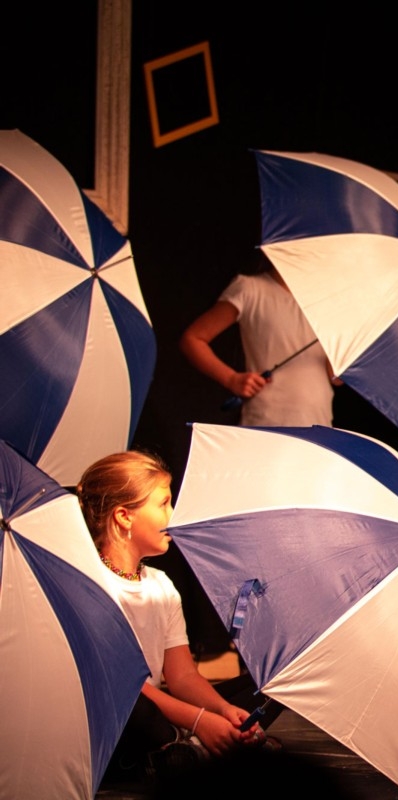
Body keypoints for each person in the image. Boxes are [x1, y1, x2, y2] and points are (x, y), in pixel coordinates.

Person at [77, 451, 280, 784]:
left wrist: (222, 712)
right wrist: (201, 720)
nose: (172, 515)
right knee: (134, 707)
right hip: (125, 716)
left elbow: (182, 676)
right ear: (124, 516)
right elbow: (127, 689)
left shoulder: (161, 585)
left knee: (267, 685)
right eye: (163, 504)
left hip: (164, 709)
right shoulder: (92, 585)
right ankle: (184, 746)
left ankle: (191, 747)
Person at [179, 251, 338, 427]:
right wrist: (231, 378)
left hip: (318, 422)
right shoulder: (250, 288)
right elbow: (193, 338)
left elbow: (335, 377)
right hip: (266, 421)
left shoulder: (326, 302)